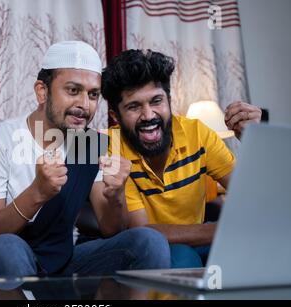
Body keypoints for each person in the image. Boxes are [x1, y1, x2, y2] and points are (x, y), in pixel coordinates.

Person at [0, 41, 170, 277]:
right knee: (4, 247)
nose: (84, 104)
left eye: (93, 95)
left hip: (66, 258)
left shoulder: (88, 143)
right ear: (42, 91)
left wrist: (116, 194)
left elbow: (112, 229)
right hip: (13, 254)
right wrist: (37, 192)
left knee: (148, 241)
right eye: (73, 90)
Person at [101, 49, 262, 268]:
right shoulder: (111, 148)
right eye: (134, 106)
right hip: (153, 251)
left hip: (200, 240)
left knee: (254, 247)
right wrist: (219, 229)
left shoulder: (198, 133)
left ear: (169, 100)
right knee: (182, 258)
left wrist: (255, 142)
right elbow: (143, 232)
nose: (148, 115)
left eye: (156, 101)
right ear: (115, 117)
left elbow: (251, 199)